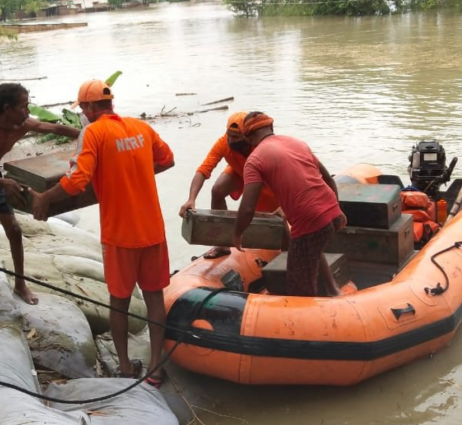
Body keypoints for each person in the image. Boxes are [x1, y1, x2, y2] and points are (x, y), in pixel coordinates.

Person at [30, 80, 174, 388]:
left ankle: (124, 367)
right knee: (154, 298)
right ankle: (156, 368)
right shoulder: (140, 128)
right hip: (153, 230)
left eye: (82, 108)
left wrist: (44, 199)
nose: (82, 113)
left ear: (91, 108)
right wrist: (136, 175)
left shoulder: (93, 133)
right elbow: (168, 159)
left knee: (119, 302)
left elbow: (76, 181)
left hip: (120, 234)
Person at [0, 83, 80, 305]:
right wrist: (2, 182)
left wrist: (91, 136)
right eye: (24, 106)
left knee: (15, 229)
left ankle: (20, 283)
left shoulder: (22, 125)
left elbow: (56, 129)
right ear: (7, 109)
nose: (28, 111)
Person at [233, 112, 345, 297]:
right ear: (271, 127)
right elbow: (328, 179)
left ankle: (311, 319)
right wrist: (338, 209)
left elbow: (247, 208)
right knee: (312, 249)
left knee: (299, 286)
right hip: (332, 214)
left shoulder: (254, 160)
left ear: (248, 137)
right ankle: (334, 291)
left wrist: (237, 234)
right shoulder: (296, 142)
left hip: (311, 223)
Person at [179, 112, 279, 259]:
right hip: (239, 172)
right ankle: (222, 244)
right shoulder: (223, 143)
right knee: (217, 190)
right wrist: (191, 198)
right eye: (229, 135)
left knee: (270, 212)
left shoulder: (262, 146)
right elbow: (203, 169)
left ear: (247, 135)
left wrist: (284, 206)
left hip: (266, 181)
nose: (231, 140)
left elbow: (283, 178)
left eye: (236, 137)